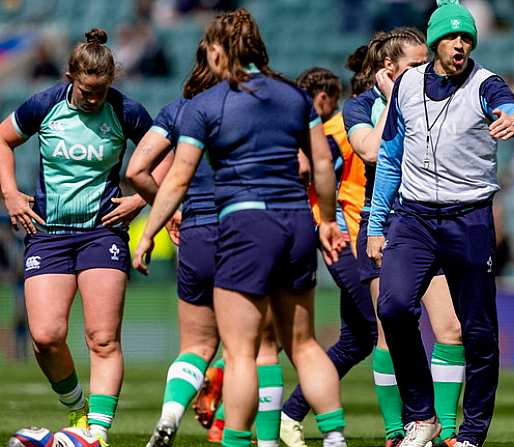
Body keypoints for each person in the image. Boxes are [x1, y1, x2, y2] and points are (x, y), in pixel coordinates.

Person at [131, 9, 348, 447]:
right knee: (303, 344)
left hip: (247, 225)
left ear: (216, 51)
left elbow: (176, 179)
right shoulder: (293, 97)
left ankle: (234, 443)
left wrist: (151, 230)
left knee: (241, 352)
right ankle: (335, 437)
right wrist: (326, 219)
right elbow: (321, 165)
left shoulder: (204, 105)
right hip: (296, 222)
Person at [366, 1, 514, 446]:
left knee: (478, 331)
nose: (460, 45)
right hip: (414, 218)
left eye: (467, 38)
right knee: (394, 307)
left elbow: (510, 105)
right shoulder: (405, 86)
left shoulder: (484, 84)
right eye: (452, 37)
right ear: (435, 40)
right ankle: (422, 417)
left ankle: (471, 433)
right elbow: (390, 156)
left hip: (469, 218)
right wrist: (375, 224)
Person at [0, 28, 153, 446]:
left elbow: (170, 156)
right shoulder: (45, 105)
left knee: (102, 338)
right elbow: (2, 138)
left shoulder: (126, 111)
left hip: (101, 234)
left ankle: (96, 434)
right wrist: (11, 194)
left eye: (101, 90)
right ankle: (78, 410)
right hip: (48, 233)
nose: (93, 99)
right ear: (71, 78)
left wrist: (140, 199)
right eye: (87, 90)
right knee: (46, 336)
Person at [344, 26, 466, 447]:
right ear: (389, 68)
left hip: (429, 222)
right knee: (389, 329)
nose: (424, 71)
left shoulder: (439, 97)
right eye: (414, 65)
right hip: (383, 225)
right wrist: (396, 99)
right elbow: (373, 152)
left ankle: (447, 431)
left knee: (450, 328)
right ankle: (398, 430)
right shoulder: (359, 107)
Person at [279, 67, 377, 447]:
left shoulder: (344, 126)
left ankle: (289, 414)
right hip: (343, 240)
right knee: (382, 326)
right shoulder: (337, 131)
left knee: (357, 340)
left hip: (358, 239)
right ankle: (408, 424)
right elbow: (315, 175)